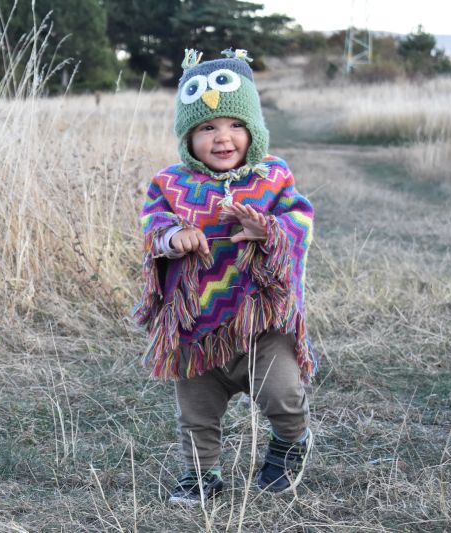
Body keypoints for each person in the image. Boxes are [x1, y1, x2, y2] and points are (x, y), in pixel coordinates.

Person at [133, 48, 316, 505]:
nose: (222, 138)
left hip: (262, 321)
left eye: (235, 125)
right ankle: (202, 474)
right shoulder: (170, 183)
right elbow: (152, 223)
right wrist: (172, 236)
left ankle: (291, 442)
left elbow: (301, 221)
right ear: (187, 136)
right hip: (196, 328)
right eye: (206, 128)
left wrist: (269, 229)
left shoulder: (273, 176)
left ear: (253, 129)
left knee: (282, 395)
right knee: (196, 412)